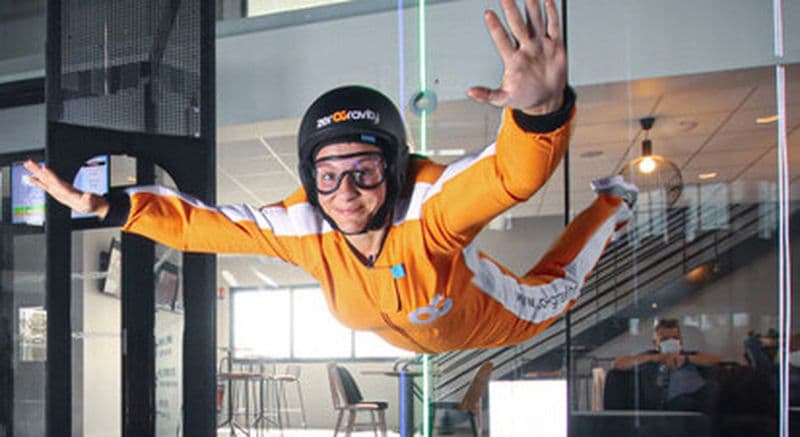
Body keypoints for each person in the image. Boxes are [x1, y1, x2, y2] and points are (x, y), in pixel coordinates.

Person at [23, 0, 637, 353]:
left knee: (557, 290)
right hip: (408, 334)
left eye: (365, 171)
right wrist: (108, 207)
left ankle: (613, 203)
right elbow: (202, 227)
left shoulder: (429, 211)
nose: (345, 193)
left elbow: (509, 177)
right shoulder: (305, 226)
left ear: (392, 171)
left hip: (490, 316)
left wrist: (539, 113)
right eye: (328, 174)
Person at [613, 318, 721, 412]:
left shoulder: (689, 356)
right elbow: (618, 363)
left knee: (712, 391)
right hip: (665, 404)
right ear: (656, 343)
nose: (671, 342)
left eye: (675, 338)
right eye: (665, 339)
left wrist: (686, 359)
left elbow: (714, 360)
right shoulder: (649, 356)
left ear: (681, 341)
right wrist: (654, 358)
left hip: (697, 400)